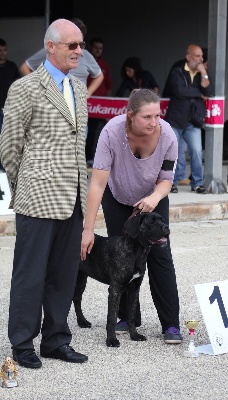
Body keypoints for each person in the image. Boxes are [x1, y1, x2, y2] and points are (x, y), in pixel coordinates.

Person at [0, 18, 89, 369]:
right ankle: (22, 342)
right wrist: (28, 183)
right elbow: (10, 146)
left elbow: (78, 145)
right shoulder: (25, 88)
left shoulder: (79, 88)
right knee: (30, 274)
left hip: (73, 198)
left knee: (63, 274)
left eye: (80, 45)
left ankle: (55, 339)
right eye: (73, 45)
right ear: (50, 46)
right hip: (37, 197)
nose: (79, 51)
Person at [80, 88, 182, 345]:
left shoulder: (168, 135)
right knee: (121, 258)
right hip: (117, 197)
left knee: (160, 256)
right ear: (130, 116)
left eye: (157, 116)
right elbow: (97, 184)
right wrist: (88, 229)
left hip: (153, 197)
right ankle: (126, 318)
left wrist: (153, 199)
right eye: (147, 117)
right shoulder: (111, 133)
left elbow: (166, 181)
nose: (154, 122)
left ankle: (170, 324)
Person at [163, 44, 213, 194]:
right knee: (173, 152)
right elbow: (179, 91)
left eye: (201, 57)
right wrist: (198, 93)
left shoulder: (200, 74)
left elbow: (208, 92)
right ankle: (171, 182)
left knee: (197, 151)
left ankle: (197, 183)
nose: (201, 59)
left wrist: (204, 74)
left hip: (193, 120)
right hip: (176, 119)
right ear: (189, 57)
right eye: (198, 56)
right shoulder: (177, 71)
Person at [19, 18, 104, 96]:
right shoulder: (52, 50)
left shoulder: (86, 55)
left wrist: (87, 94)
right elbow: (24, 68)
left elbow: (99, 76)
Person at [86, 36, 112, 166]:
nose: (98, 50)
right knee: (88, 131)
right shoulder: (82, 61)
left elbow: (108, 86)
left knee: (103, 131)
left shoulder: (104, 65)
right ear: (90, 47)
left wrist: (108, 105)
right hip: (86, 103)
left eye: (100, 48)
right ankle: (88, 157)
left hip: (100, 106)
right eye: (95, 48)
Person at [0, 38, 20, 171]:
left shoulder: (12, 66)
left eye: (4, 50)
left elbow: (18, 86)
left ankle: (4, 167)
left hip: (7, 108)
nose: (2, 53)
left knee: (6, 140)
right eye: (0, 51)